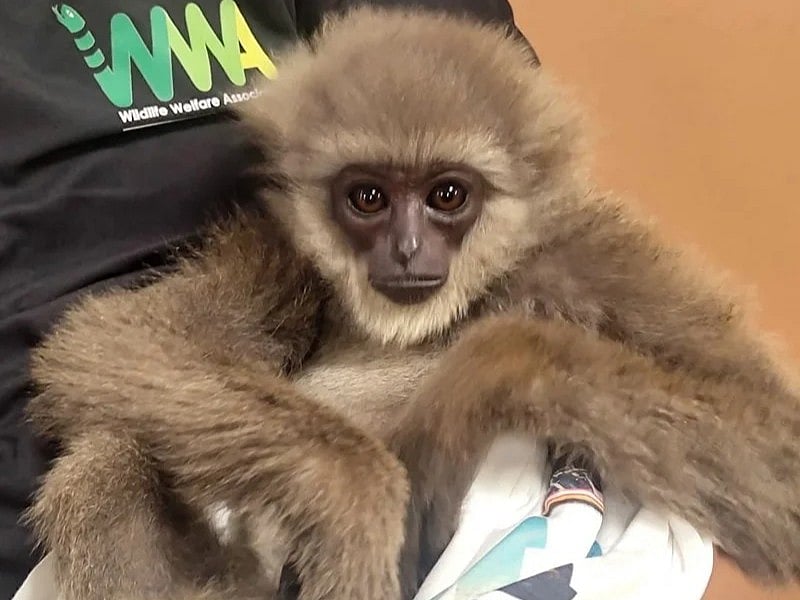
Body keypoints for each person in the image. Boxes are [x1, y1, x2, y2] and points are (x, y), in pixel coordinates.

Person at [0, 1, 531, 597]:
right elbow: (90, 363)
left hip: (405, 382)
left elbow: (522, 180)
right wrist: (326, 474)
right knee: (101, 481)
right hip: (121, 444)